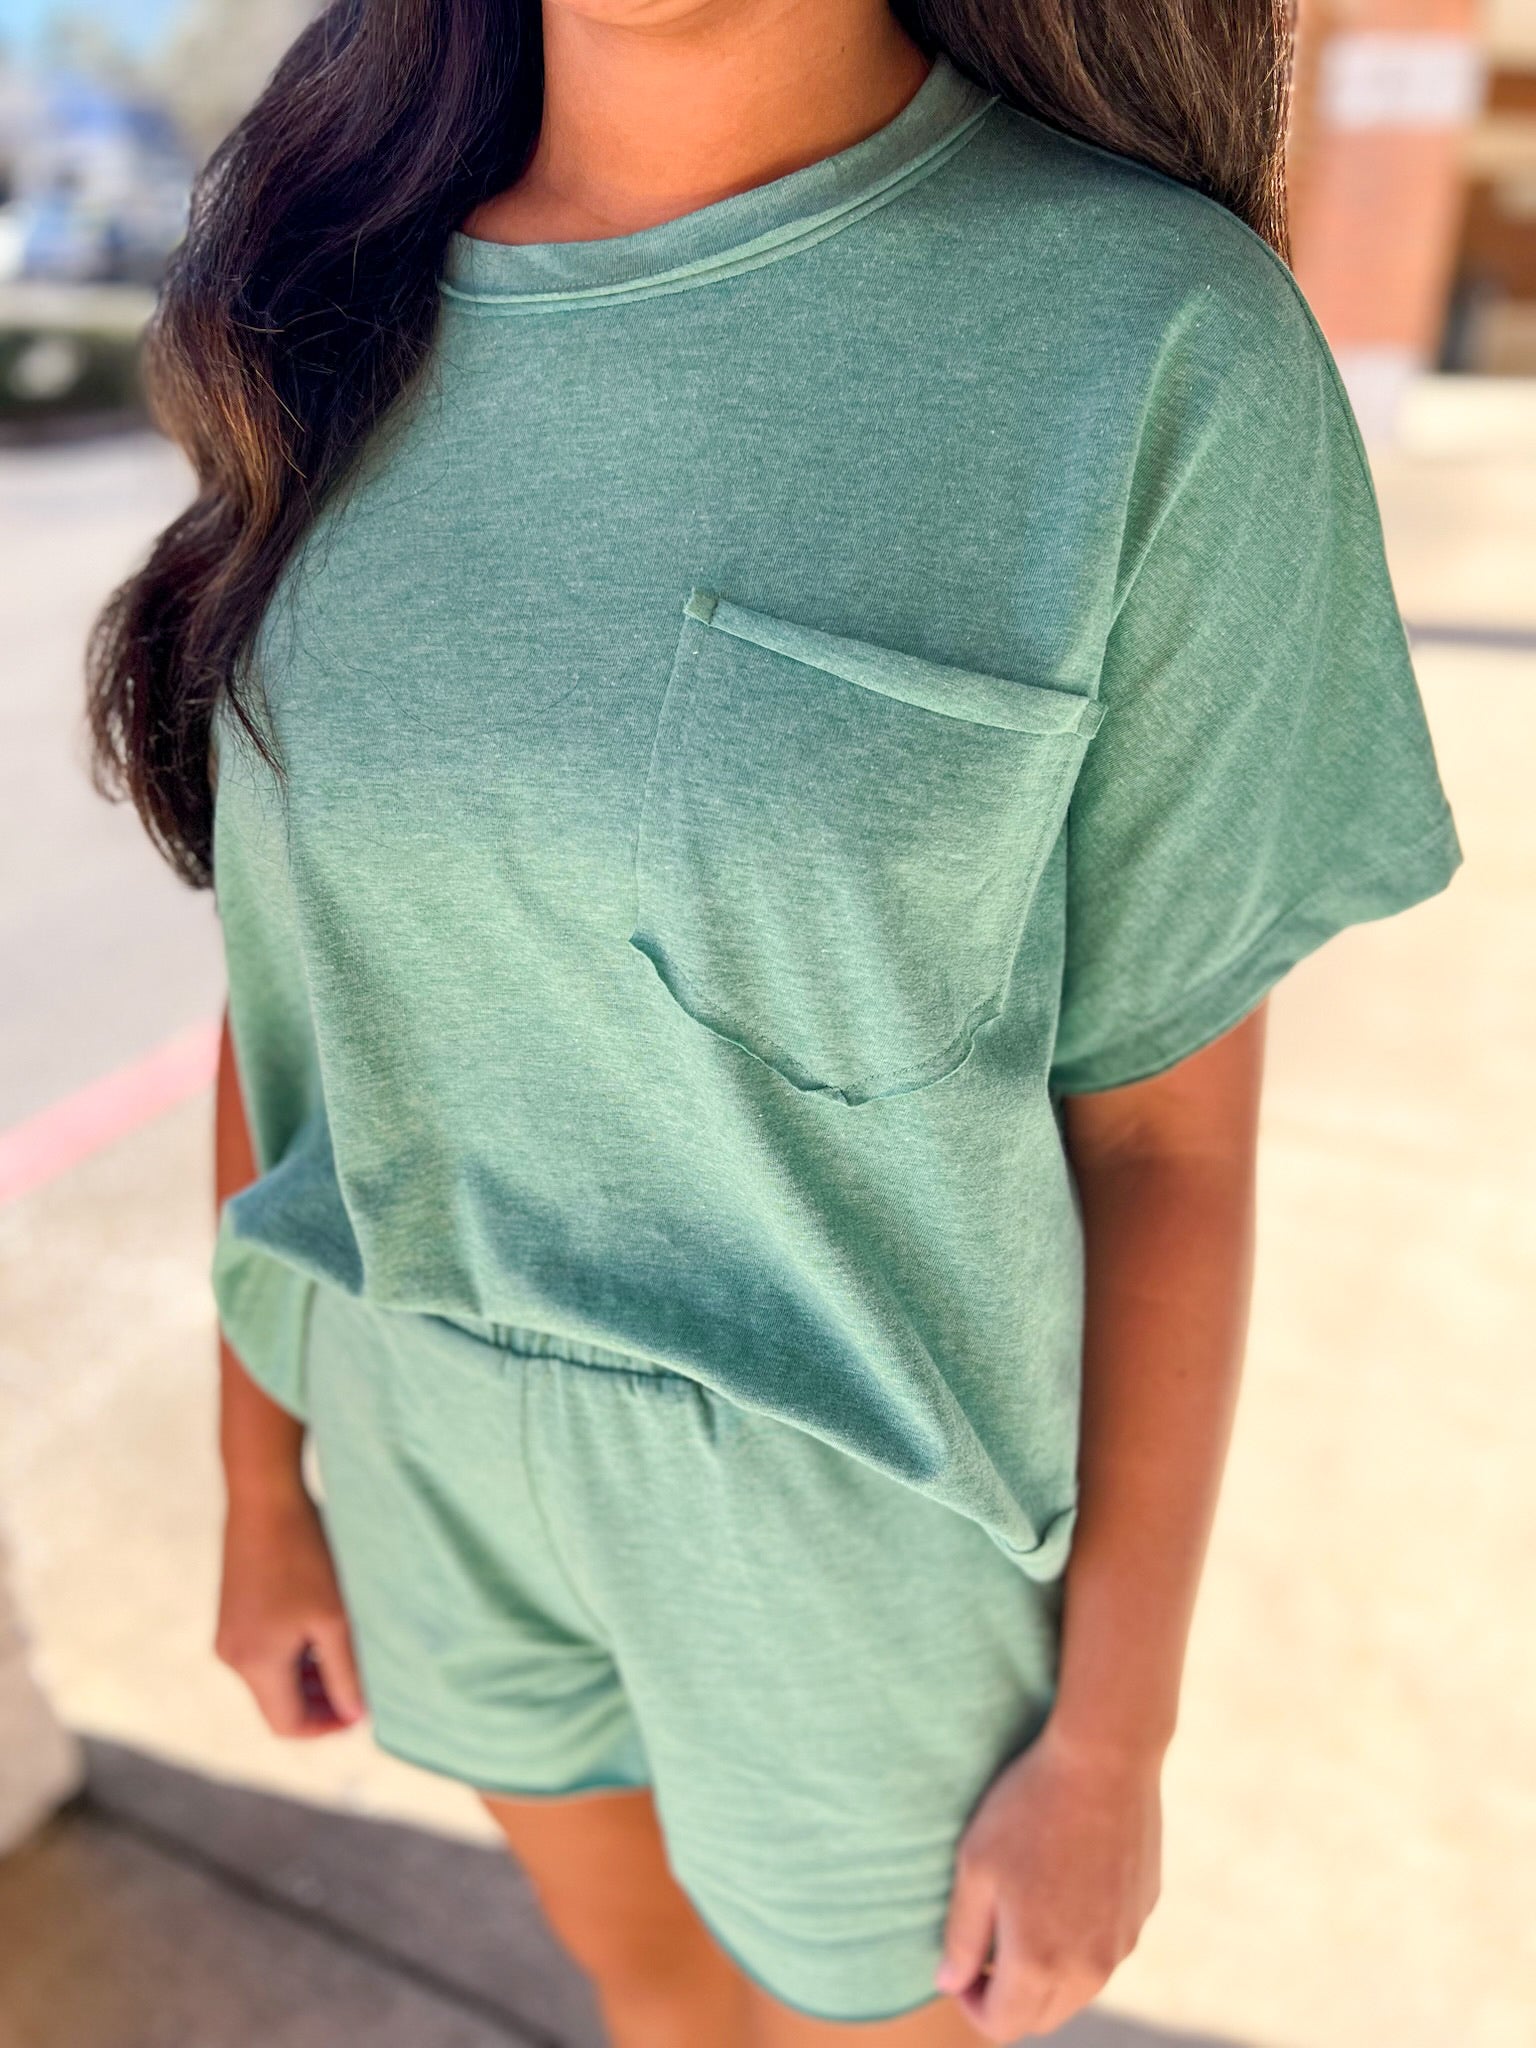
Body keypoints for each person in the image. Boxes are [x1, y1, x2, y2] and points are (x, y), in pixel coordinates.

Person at [86, 2, 1464, 2041]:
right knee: (647, 1995)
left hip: (855, 1534)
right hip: (416, 1445)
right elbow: (297, 974)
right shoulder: (326, 283)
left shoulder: (1148, 344)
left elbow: (1165, 1140)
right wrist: (265, 1479)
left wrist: (1112, 1741)